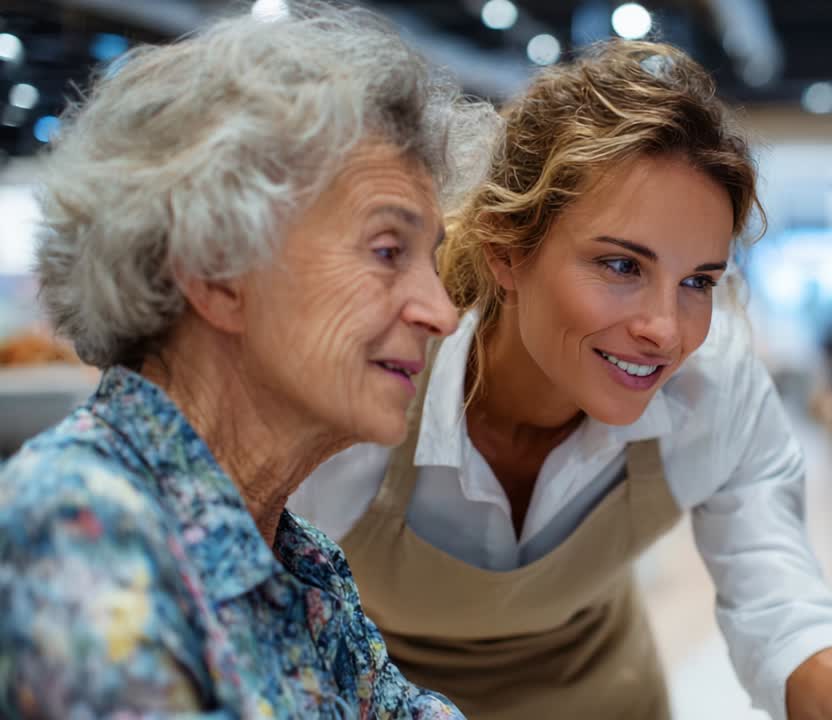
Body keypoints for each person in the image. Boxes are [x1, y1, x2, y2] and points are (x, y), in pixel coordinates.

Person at [291, 40, 832, 720]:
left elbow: (781, 608)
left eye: (697, 282)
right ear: (507, 249)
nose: (666, 329)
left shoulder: (711, 391)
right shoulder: (369, 388)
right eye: (622, 266)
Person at [0, 4, 494, 717]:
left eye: (433, 262)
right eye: (388, 251)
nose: (442, 313)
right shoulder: (76, 533)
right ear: (214, 269)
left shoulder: (299, 562)